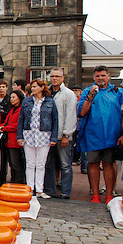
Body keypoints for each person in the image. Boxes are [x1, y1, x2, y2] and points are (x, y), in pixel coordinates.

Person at [78, 65, 123, 203]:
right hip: (93, 134)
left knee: (109, 163)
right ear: (94, 77)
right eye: (97, 76)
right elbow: (82, 112)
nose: (100, 78)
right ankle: (95, 194)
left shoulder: (118, 92)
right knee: (93, 163)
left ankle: (109, 194)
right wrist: (89, 97)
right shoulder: (87, 91)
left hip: (112, 135)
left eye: (103, 75)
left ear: (108, 76)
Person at [17, 79, 58, 199]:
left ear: (41, 88)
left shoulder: (50, 102)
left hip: (44, 135)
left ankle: (39, 189)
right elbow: (21, 119)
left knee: (41, 164)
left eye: (35, 87)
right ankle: (30, 188)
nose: (33, 89)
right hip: (29, 134)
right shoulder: (27, 101)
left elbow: (55, 120)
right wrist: (19, 136)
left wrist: (53, 137)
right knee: (30, 163)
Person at [44, 68, 78, 199]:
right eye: (52, 76)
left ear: (63, 78)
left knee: (65, 165)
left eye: (57, 76)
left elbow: (70, 115)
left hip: (62, 135)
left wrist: (66, 134)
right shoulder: (47, 93)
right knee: (49, 164)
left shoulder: (69, 94)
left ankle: (65, 192)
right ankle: (50, 190)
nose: (54, 78)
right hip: (48, 135)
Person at [0, 90, 26, 184]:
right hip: (8, 139)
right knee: (11, 163)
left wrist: (5, 128)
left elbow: (18, 125)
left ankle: (18, 182)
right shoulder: (12, 110)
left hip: (15, 140)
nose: (11, 99)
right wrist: (2, 126)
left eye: (14, 97)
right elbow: (7, 121)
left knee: (16, 163)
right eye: (11, 97)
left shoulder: (21, 109)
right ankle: (14, 180)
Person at [0, 79, 12, 184]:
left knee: (5, 155)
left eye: (3, 87)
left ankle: (3, 177)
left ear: (7, 88)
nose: (1, 89)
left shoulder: (9, 99)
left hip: (5, 130)